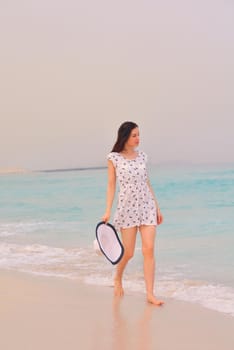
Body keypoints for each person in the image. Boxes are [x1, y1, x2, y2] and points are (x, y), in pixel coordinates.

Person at [102, 121, 164, 306]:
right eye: (134, 135)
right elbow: (111, 185)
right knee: (128, 253)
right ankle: (118, 278)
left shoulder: (143, 156)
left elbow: (147, 182)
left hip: (147, 207)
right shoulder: (114, 158)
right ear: (125, 137)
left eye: (139, 135)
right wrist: (107, 211)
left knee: (149, 249)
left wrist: (157, 207)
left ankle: (150, 294)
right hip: (127, 208)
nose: (138, 138)